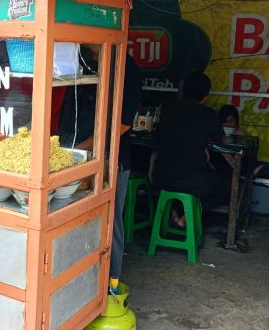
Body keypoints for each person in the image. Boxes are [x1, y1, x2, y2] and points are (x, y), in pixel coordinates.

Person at [71, 54, 141, 281]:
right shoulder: (79, 57)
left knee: (110, 223)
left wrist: (82, 149)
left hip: (112, 160)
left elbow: (123, 124)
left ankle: (110, 285)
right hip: (74, 156)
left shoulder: (124, 65)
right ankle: (83, 285)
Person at [151, 71, 228, 228]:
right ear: (206, 96)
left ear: (182, 90)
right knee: (225, 186)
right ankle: (185, 218)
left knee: (170, 183)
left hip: (161, 177)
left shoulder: (167, 109)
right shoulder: (209, 114)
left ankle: (173, 213)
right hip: (193, 181)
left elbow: (157, 135)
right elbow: (222, 140)